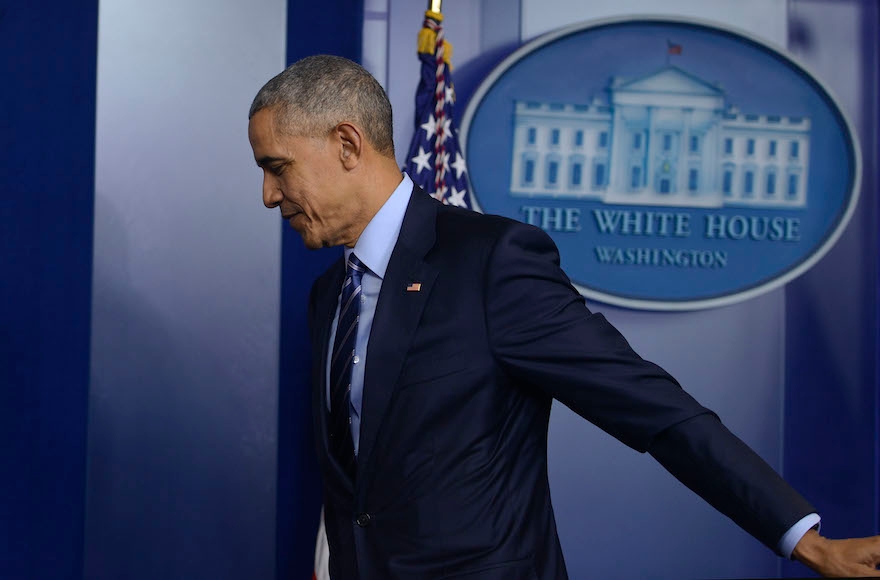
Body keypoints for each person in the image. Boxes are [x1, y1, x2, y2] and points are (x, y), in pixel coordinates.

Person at [248, 54, 880, 579]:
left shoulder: (491, 262)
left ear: (348, 144)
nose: (270, 195)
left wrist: (802, 538)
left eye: (278, 168)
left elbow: (652, 408)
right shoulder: (329, 295)